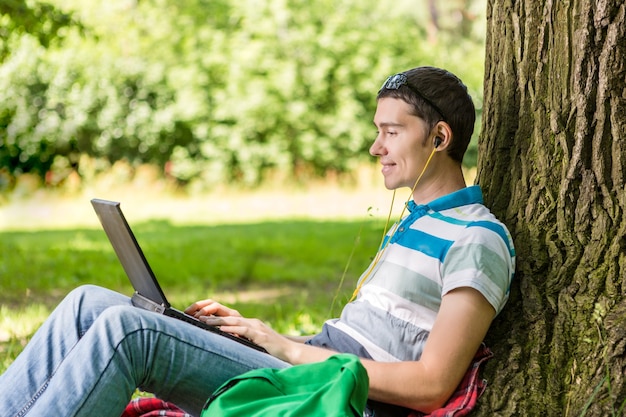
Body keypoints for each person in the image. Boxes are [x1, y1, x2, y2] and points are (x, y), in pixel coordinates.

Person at [0, 66, 515, 417]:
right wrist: (265, 338)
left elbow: (431, 386)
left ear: (440, 138)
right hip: (314, 362)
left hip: (336, 393)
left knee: (128, 331)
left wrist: (285, 348)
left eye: (391, 132)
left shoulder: (477, 238)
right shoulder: (416, 219)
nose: (375, 146)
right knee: (86, 301)